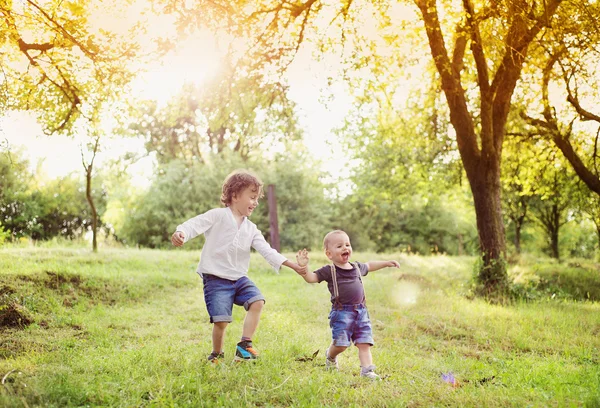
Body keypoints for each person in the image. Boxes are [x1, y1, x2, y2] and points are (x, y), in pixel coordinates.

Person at [171, 169, 306, 364]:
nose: (255, 202)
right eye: (252, 197)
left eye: (257, 198)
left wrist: (293, 265)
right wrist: (181, 232)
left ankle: (244, 346)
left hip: (239, 278)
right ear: (234, 195)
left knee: (257, 301)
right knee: (221, 321)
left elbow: (267, 251)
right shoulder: (218, 215)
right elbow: (194, 224)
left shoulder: (251, 228)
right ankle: (216, 354)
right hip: (216, 279)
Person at [295, 230, 399, 380]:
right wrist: (304, 269)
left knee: (364, 342)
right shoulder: (329, 270)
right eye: (339, 246)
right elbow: (311, 278)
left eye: (347, 244)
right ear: (329, 254)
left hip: (361, 311)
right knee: (341, 345)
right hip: (342, 312)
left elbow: (370, 265)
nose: (345, 248)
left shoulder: (356, 267)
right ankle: (330, 356)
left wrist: (387, 263)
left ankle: (367, 371)